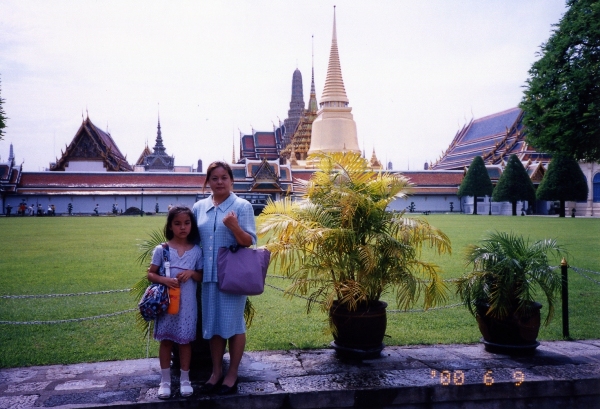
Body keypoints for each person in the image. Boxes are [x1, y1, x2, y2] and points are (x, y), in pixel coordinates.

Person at [193, 161, 256, 396]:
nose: (219, 182)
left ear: (231, 180)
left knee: (234, 324)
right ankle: (216, 372)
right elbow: (192, 240)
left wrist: (234, 227)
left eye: (224, 178)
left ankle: (232, 374)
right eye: (214, 178)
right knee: (213, 325)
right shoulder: (199, 207)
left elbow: (249, 242)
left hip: (232, 276)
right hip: (208, 275)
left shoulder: (242, 206)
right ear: (208, 182)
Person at [147, 205, 203, 399]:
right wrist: (165, 280)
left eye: (187, 223)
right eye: (177, 223)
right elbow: (151, 274)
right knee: (166, 342)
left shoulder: (196, 251)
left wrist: (192, 273)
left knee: (185, 342)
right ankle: (165, 381)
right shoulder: (162, 250)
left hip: (187, 307)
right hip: (167, 306)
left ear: (192, 225)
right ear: (170, 226)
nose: (182, 227)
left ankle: (185, 380)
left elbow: (201, 276)